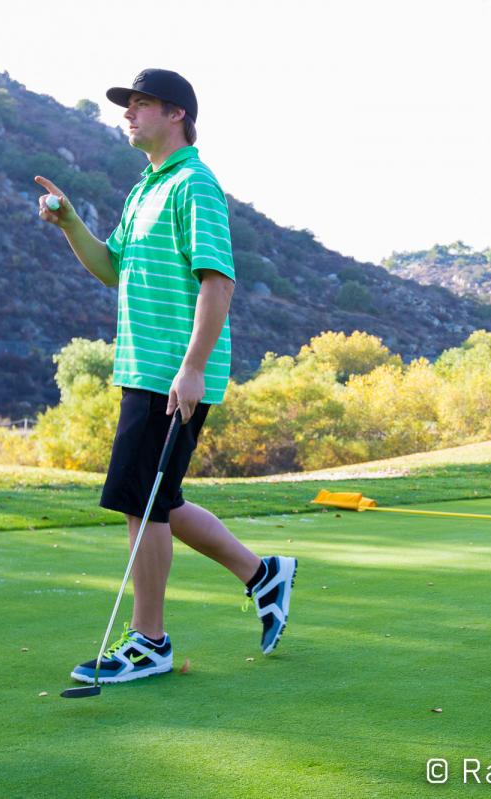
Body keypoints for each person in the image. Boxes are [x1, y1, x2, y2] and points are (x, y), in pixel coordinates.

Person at [35, 68, 296, 684]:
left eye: (142, 103)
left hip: (172, 374)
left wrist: (193, 368)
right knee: (157, 498)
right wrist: (71, 224)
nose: (128, 114)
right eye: (127, 105)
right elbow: (112, 267)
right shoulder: (144, 189)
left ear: (176, 114)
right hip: (143, 369)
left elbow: (218, 281)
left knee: (142, 503)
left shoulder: (194, 184)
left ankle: (150, 642)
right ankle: (263, 575)